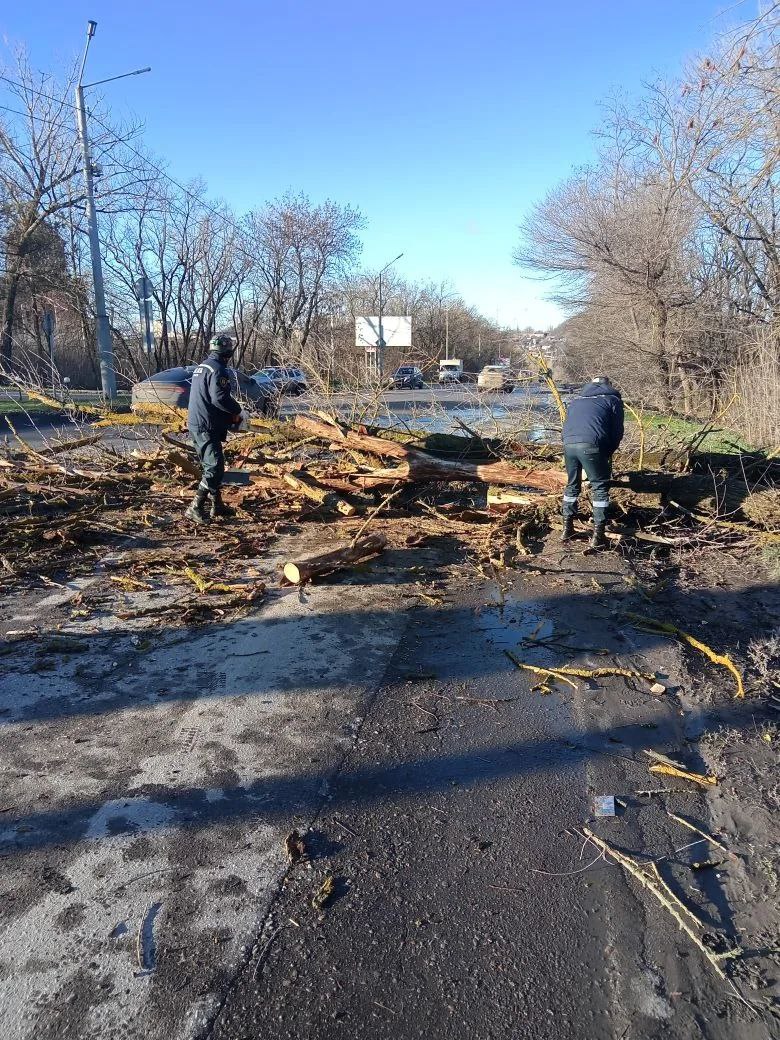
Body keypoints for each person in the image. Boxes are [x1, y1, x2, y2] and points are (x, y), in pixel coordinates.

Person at [561, 376, 624, 549]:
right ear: (608, 386)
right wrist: (607, 452)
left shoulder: (576, 401)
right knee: (600, 487)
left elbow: (567, 426)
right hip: (592, 445)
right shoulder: (612, 400)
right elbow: (617, 432)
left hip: (568, 444)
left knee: (572, 485)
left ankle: (567, 528)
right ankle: (598, 535)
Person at [185, 334, 242, 524]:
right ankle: (195, 507)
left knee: (211, 465)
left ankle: (217, 505)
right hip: (206, 425)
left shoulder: (203, 367)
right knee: (215, 466)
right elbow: (219, 398)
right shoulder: (218, 370)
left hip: (200, 422)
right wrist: (237, 411)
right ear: (227, 351)